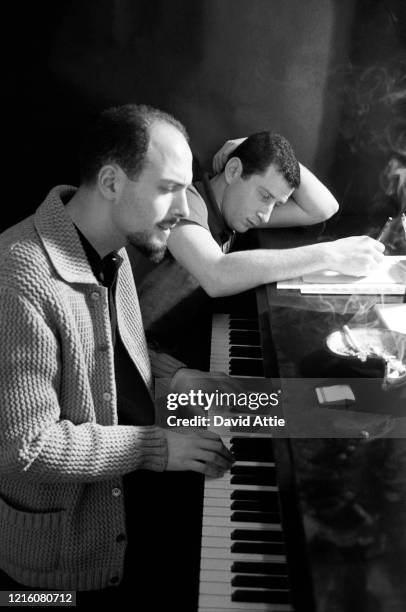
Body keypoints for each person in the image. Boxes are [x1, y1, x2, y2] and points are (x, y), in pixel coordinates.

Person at [0, 104, 234, 608]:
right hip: (49, 579)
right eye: (169, 188)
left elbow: (108, 356)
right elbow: (27, 445)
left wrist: (179, 378)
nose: (184, 209)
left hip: (118, 519)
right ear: (111, 182)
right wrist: (158, 449)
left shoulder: (115, 249)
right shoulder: (19, 275)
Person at [134, 131, 385, 366]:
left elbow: (323, 208)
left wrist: (254, 146)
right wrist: (331, 254)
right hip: (135, 359)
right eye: (265, 196)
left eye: (276, 204)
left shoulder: (233, 214)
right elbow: (216, 274)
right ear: (233, 171)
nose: (266, 216)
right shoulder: (186, 202)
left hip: (168, 355)